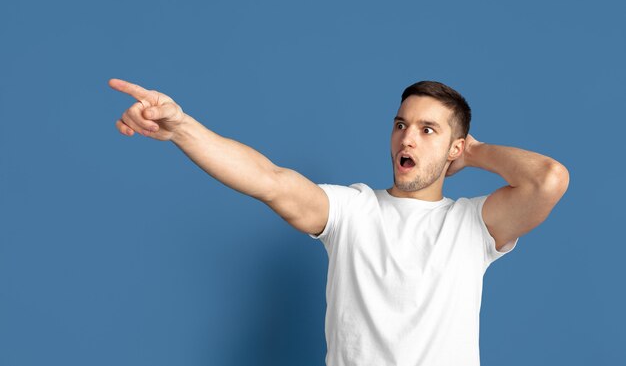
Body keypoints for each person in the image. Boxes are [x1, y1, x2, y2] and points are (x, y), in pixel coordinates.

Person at [109, 78, 569, 366]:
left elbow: (547, 179)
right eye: (401, 124)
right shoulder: (353, 210)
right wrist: (182, 129)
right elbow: (269, 180)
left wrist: (473, 153)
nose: (407, 137)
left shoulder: (472, 224)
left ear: (455, 147)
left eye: (428, 130)